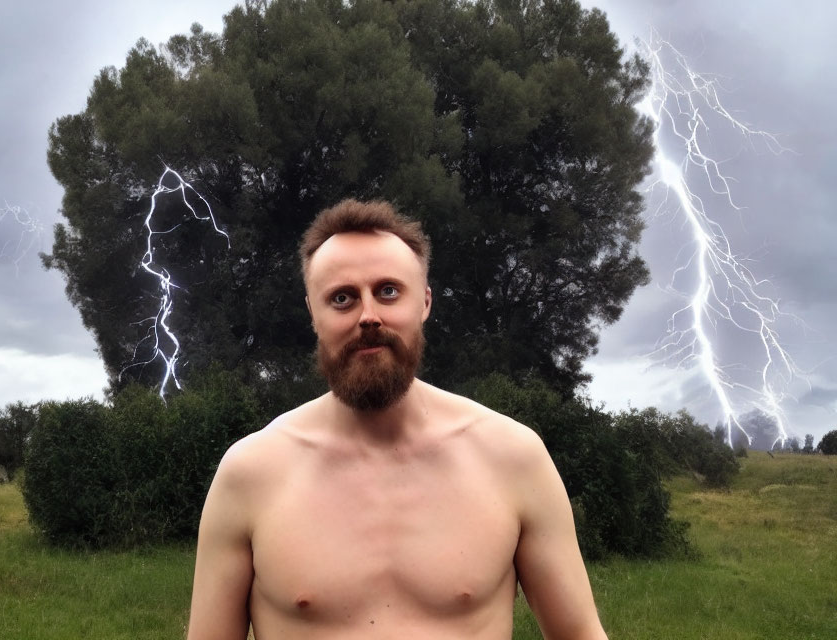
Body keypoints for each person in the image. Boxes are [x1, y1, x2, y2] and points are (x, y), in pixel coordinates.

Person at [186, 199, 607, 639]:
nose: (368, 316)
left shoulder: (512, 457)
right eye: (343, 298)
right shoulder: (251, 473)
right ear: (313, 313)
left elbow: (579, 633)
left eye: (388, 291)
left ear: (424, 302)